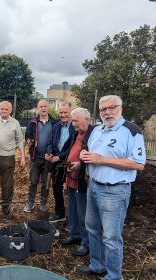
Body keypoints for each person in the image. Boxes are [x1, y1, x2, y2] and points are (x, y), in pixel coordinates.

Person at [77, 95, 146, 279]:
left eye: (112, 107)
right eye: (103, 109)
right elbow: (95, 155)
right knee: (92, 228)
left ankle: (114, 276)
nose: (107, 112)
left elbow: (139, 164)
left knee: (111, 238)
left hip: (114, 191)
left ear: (120, 108)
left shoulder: (131, 130)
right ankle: (97, 265)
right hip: (94, 186)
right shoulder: (98, 130)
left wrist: (102, 160)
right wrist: (86, 155)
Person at [59, 108, 93, 257]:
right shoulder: (76, 133)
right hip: (71, 177)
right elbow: (67, 150)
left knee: (83, 212)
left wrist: (80, 164)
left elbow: (95, 156)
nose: (73, 124)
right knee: (72, 210)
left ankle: (86, 243)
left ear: (87, 120)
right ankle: (75, 235)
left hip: (83, 180)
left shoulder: (94, 134)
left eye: (76, 121)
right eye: (73, 121)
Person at [0, 101, 25, 215]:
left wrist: (22, 157)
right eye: (2, 109)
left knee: (7, 182)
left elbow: (20, 140)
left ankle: (5, 204)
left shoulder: (15, 123)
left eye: (6, 109)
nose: (4, 111)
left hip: (8, 157)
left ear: (10, 111)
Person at [23, 100, 55, 213]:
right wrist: (28, 140)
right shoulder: (32, 123)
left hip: (48, 159)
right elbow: (27, 135)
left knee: (46, 183)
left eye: (45, 106)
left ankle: (43, 203)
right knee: (33, 181)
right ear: (37, 109)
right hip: (35, 158)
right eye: (40, 106)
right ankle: (30, 202)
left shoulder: (54, 123)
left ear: (48, 108)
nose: (43, 108)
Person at [45, 102, 75, 222]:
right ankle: (60, 213)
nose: (63, 115)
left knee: (71, 190)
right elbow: (50, 142)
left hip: (69, 162)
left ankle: (72, 217)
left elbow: (72, 147)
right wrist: (49, 153)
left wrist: (59, 157)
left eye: (65, 112)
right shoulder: (56, 126)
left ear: (70, 113)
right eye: (61, 112)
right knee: (56, 188)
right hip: (56, 163)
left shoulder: (75, 127)